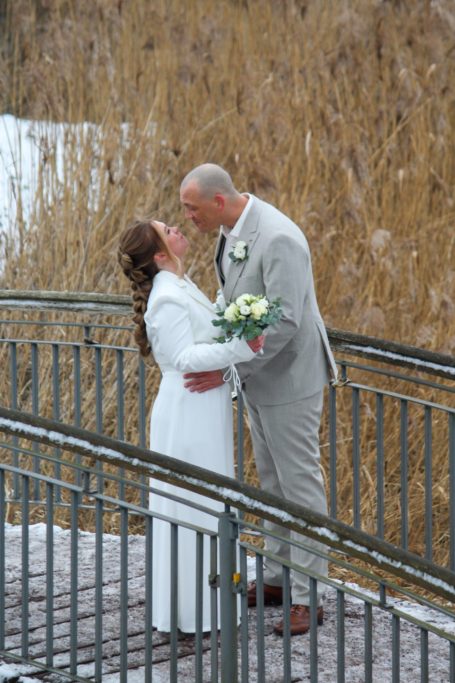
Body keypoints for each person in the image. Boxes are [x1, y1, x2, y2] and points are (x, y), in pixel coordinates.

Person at [180, 163, 338, 636]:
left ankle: (309, 597)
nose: (188, 217)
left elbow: (286, 321)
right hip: (260, 378)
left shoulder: (278, 238)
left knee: (300, 486)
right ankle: (275, 578)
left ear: (219, 201)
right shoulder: (231, 230)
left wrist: (231, 367)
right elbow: (236, 298)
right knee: (271, 482)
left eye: (192, 208)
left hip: (289, 379)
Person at [117, 218, 264, 634]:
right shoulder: (165, 297)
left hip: (204, 405)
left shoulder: (180, 284)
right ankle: (189, 611)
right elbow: (183, 358)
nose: (177, 228)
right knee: (191, 503)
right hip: (186, 411)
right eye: (168, 230)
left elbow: (206, 336)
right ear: (159, 254)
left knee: (211, 500)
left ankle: (211, 605)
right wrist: (241, 348)